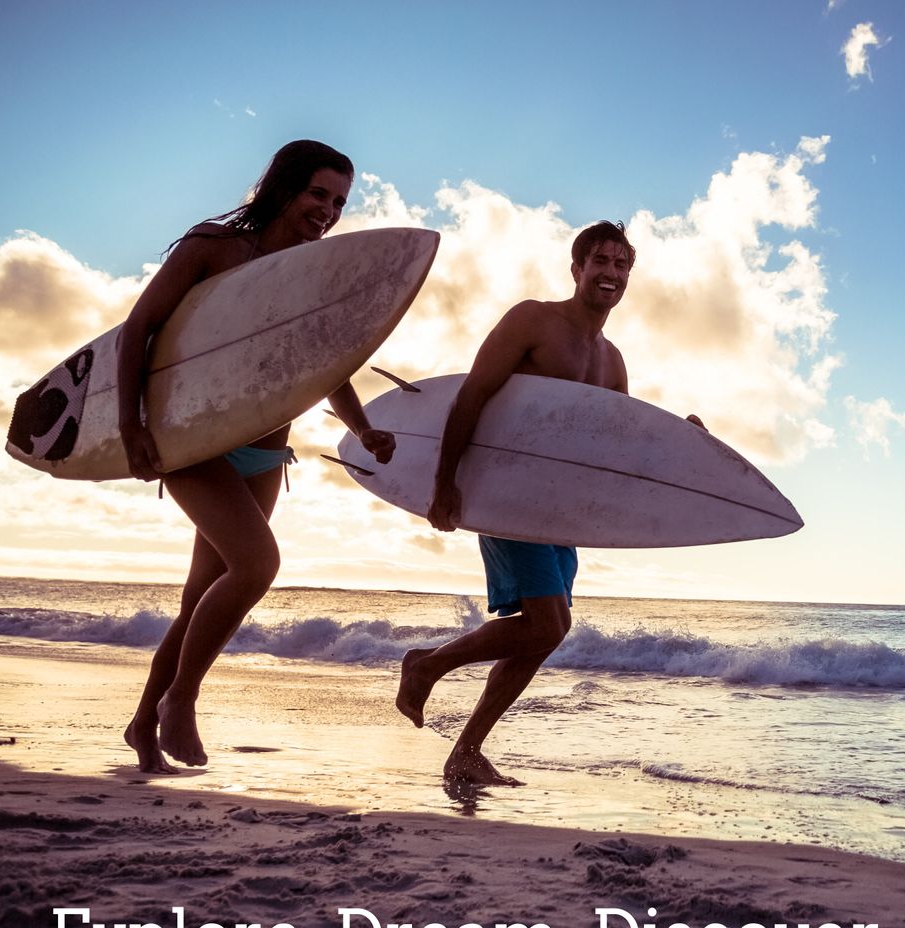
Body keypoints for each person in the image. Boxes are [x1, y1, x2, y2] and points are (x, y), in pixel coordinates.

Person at [395, 220, 704, 785]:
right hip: (509, 494)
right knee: (546, 623)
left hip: (559, 511)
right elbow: (471, 398)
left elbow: (617, 448)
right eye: (601, 261)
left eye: (621, 265)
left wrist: (680, 443)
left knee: (546, 632)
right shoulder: (533, 319)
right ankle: (426, 664)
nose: (611, 273)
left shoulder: (612, 362)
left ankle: (466, 750)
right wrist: (445, 483)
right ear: (577, 267)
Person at [120, 140, 395, 773]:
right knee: (256, 565)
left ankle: (142, 722)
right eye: (317, 194)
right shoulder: (213, 248)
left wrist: (365, 427)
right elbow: (140, 329)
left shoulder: (313, 273)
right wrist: (134, 422)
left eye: (339, 202)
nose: (327, 211)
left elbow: (323, 367)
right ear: (283, 187)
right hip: (193, 443)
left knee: (199, 603)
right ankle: (179, 702)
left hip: (266, 456)